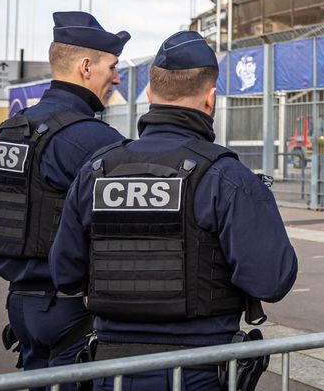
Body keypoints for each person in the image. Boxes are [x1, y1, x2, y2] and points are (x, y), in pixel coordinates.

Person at [50, 30, 298, 391]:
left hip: (111, 368)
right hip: (198, 369)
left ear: (150, 95)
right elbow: (271, 280)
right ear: (210, 100)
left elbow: (65, 273)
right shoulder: (225, 176)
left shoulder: (96, 170)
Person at [0, 11, 130, 375]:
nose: (117, 77)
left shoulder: (9, 131)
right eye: (112, 66)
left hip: (21, 306)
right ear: (86, 67)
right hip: (71, 310)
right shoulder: (93, 139)